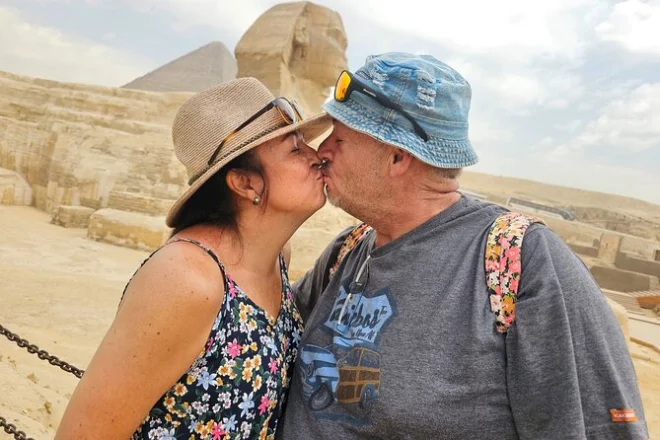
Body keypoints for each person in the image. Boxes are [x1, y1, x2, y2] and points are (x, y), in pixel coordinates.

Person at [277, 53, 649, 439]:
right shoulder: (348, 249)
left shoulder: (524, 262)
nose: (323, 151)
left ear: (397, 157)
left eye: (339, 138)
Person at [55, 77, 331, 440]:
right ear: (245, 183)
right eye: (295, 149)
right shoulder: (185, 279)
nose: (316, 156)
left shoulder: (276, 256)